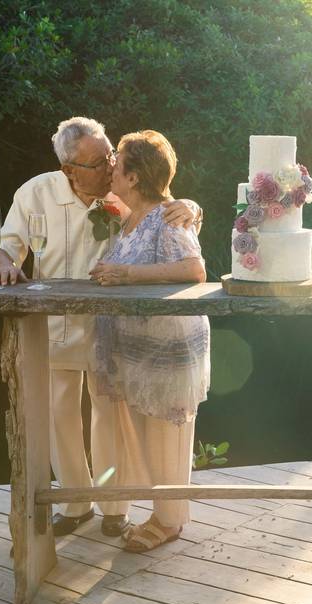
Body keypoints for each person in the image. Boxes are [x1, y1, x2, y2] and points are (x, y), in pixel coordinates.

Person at [0, 117, 203, 538]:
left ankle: (114, 506)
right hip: (53, 325)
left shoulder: (120, 188)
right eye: (97, 161)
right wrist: (2, 263)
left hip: (111, 329)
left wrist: (194, 208)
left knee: (110, 416)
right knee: (59, 413)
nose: (109, 167)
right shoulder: (35, 192)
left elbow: (164, 215)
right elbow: (6, 246)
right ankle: (74, 502)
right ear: (70, 169)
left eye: (110, 157)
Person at [88, 130, 209, 552]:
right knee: (146, 434)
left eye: (116, 163)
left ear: (134, 177)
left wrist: (127, 275)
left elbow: (193, 270)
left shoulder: (167, 217)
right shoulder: (129, 217)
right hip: (137, 350)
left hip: (166, 348)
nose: (110, 170)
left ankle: (169, 521)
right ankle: (159, 511)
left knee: (164, 434)